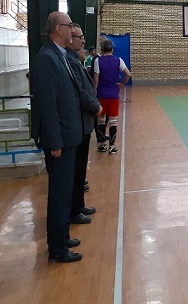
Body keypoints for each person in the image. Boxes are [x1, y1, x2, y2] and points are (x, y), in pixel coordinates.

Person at [31, 11, 83, 263]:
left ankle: (63, 237)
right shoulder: (46, 58)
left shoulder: (59, 55)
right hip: (59, 140)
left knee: (65, 193)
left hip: (68, 136)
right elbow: (48, 105)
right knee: (59, 196)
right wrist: (54, 142)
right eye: (68, 25)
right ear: (58, 29)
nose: (72, 30)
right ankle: (57, 248)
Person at [65, 24, 103, 225]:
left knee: (81, 169)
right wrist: (96, 106)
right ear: (71, 38)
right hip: (79, 122)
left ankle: (79, 204)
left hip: (83, 123)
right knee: (77, 169)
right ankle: (74, 209)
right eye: (80, 37)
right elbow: (80, 92)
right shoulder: (71, 62)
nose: (83, 41)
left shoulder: (76, 61)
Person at [93, 39, 131, 154]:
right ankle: (112, 146)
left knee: (101, 121)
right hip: (114, 95)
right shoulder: (118, 60)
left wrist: (93, 93)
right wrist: (122, 84)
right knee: (113, 122)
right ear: (112, 49)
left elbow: (96, 79)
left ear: (102, 49)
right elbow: (128, 74)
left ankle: (102, 144)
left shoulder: (98, 61)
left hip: (101, 94)